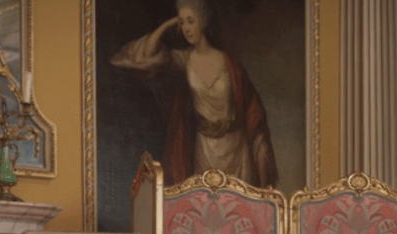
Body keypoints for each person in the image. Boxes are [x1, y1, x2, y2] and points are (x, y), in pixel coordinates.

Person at [111, 0, 279, 188]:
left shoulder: (230, 64)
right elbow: (145, 56)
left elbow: (253, 113)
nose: (186, 29)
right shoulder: (183, 59)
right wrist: (167, 25)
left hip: (237, 149)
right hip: (205, 150)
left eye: (191, 21)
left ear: (204, 21)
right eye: (182, 23)